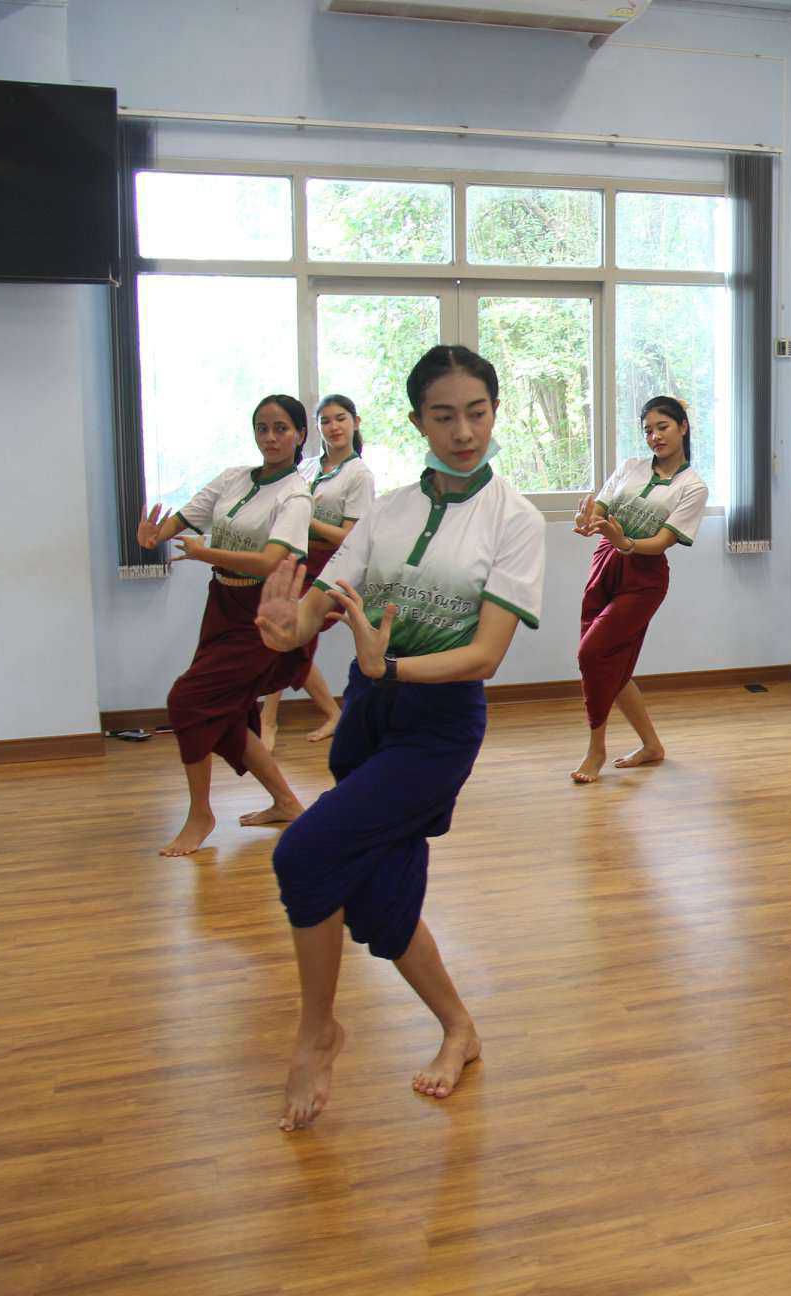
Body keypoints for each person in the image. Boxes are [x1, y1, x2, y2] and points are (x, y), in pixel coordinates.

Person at [254, 345, 546, 1131]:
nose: (464, 432)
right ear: (418, 421)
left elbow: (484, 655)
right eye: (444, 416)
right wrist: (290, 626)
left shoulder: (515, 519)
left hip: (437, 733)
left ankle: (318, 1032)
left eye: (477, 413)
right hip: (367, 721)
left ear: (495, 411)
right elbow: (322, 602)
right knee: (381, 904)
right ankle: (460, 1028)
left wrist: (391, 668)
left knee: (303, 854)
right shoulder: (386, 512)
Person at [136, 395, 316, 856]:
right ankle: (287, 802)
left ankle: (201, 814)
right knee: (226, 710)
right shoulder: (233, 478)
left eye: (281, 428)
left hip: (264, 612)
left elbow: (271, 561)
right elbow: (181, 521)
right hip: (222, 604)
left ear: (299, 435)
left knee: (187, 699)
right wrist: (154, 537)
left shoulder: (296, 496)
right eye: (262, 428)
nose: (270, 437)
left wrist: (206, 553)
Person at [568, 397, 709, 782]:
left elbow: (661, 542)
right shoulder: (630, 466)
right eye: (648, 430)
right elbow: (600, 510)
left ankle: (596, 749)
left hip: (644, 579)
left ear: (683, 427)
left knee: (592, 654)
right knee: (613, 665)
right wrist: (589, 521)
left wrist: (624, 541)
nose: (654, 436)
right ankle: (652, 746)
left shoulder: (693, 487)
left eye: (662, 427)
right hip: (604, 566)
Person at [259, 394, 375, 746]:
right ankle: (332, 714)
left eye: (340, 418)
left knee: (291, 637)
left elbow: (351, 536)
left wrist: (306, 518)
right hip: (295, 559)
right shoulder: (307, 467)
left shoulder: (359, 474)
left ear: (355, 422)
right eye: (325, 421)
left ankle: (268, 720)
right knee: (289, 639)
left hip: (329, 565)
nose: (333, 427)